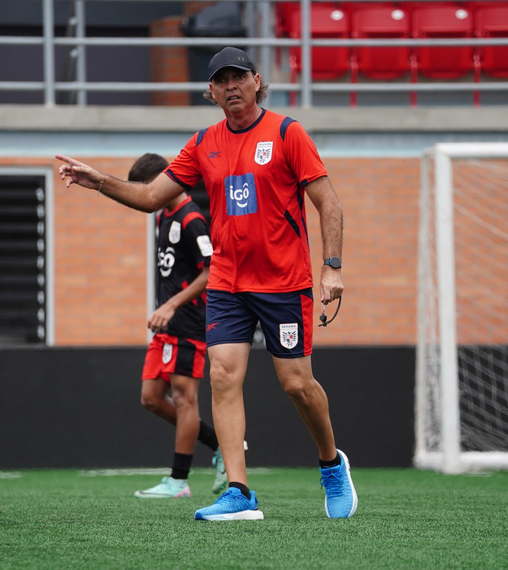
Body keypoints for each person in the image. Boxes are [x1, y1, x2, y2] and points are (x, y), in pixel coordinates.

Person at [57, 47, 356, 521]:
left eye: (239, 77)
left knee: (296, 384)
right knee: (221, 376)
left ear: (257, 81)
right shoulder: (203, 143)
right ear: (210, 91)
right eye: (222, 80)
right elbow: (152, 196)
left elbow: (329, 203)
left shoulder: (286, 132)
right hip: (228, 284)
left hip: (283, 282)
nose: (232, 86)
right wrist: (99, 181)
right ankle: (239, 491)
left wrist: (332, 266)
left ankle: (330, 465)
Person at [128, 153, 229, 499]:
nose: (146, 197)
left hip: (187, 322)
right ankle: (220, 445)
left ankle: (178, 481)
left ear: (165, 180)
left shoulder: (191, 220)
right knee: (152, 398)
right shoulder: (162, 217)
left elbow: (211, 270)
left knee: (186, 399)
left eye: (148, 189)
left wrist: (171, 305)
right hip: (166, 324)